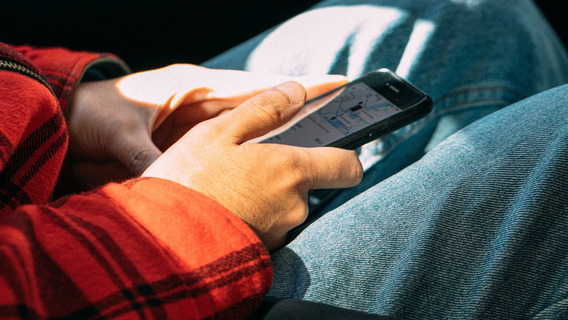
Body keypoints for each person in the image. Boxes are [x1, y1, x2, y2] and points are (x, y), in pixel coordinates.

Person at [1, 1, 567, 319]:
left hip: (50, 200)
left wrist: (61, 98)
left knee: (476, 21)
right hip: (126, 278)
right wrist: (186, 213)